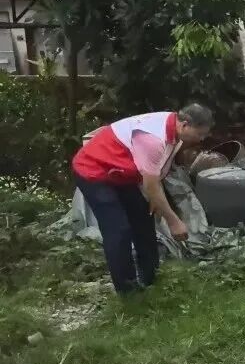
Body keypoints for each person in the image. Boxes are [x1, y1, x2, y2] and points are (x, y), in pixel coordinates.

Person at [72, 104, 214, 294]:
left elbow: (157, 171)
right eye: (200, 133)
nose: (201, 139)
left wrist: (155, 199)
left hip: (120, 173)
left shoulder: (174, 128)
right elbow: (150, 185)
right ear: (185, 125)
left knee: (144, 219)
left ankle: (151, 277)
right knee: (118, 230)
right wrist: (174, 222)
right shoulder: (152, 139)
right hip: (94, 170)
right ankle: (128, 290)